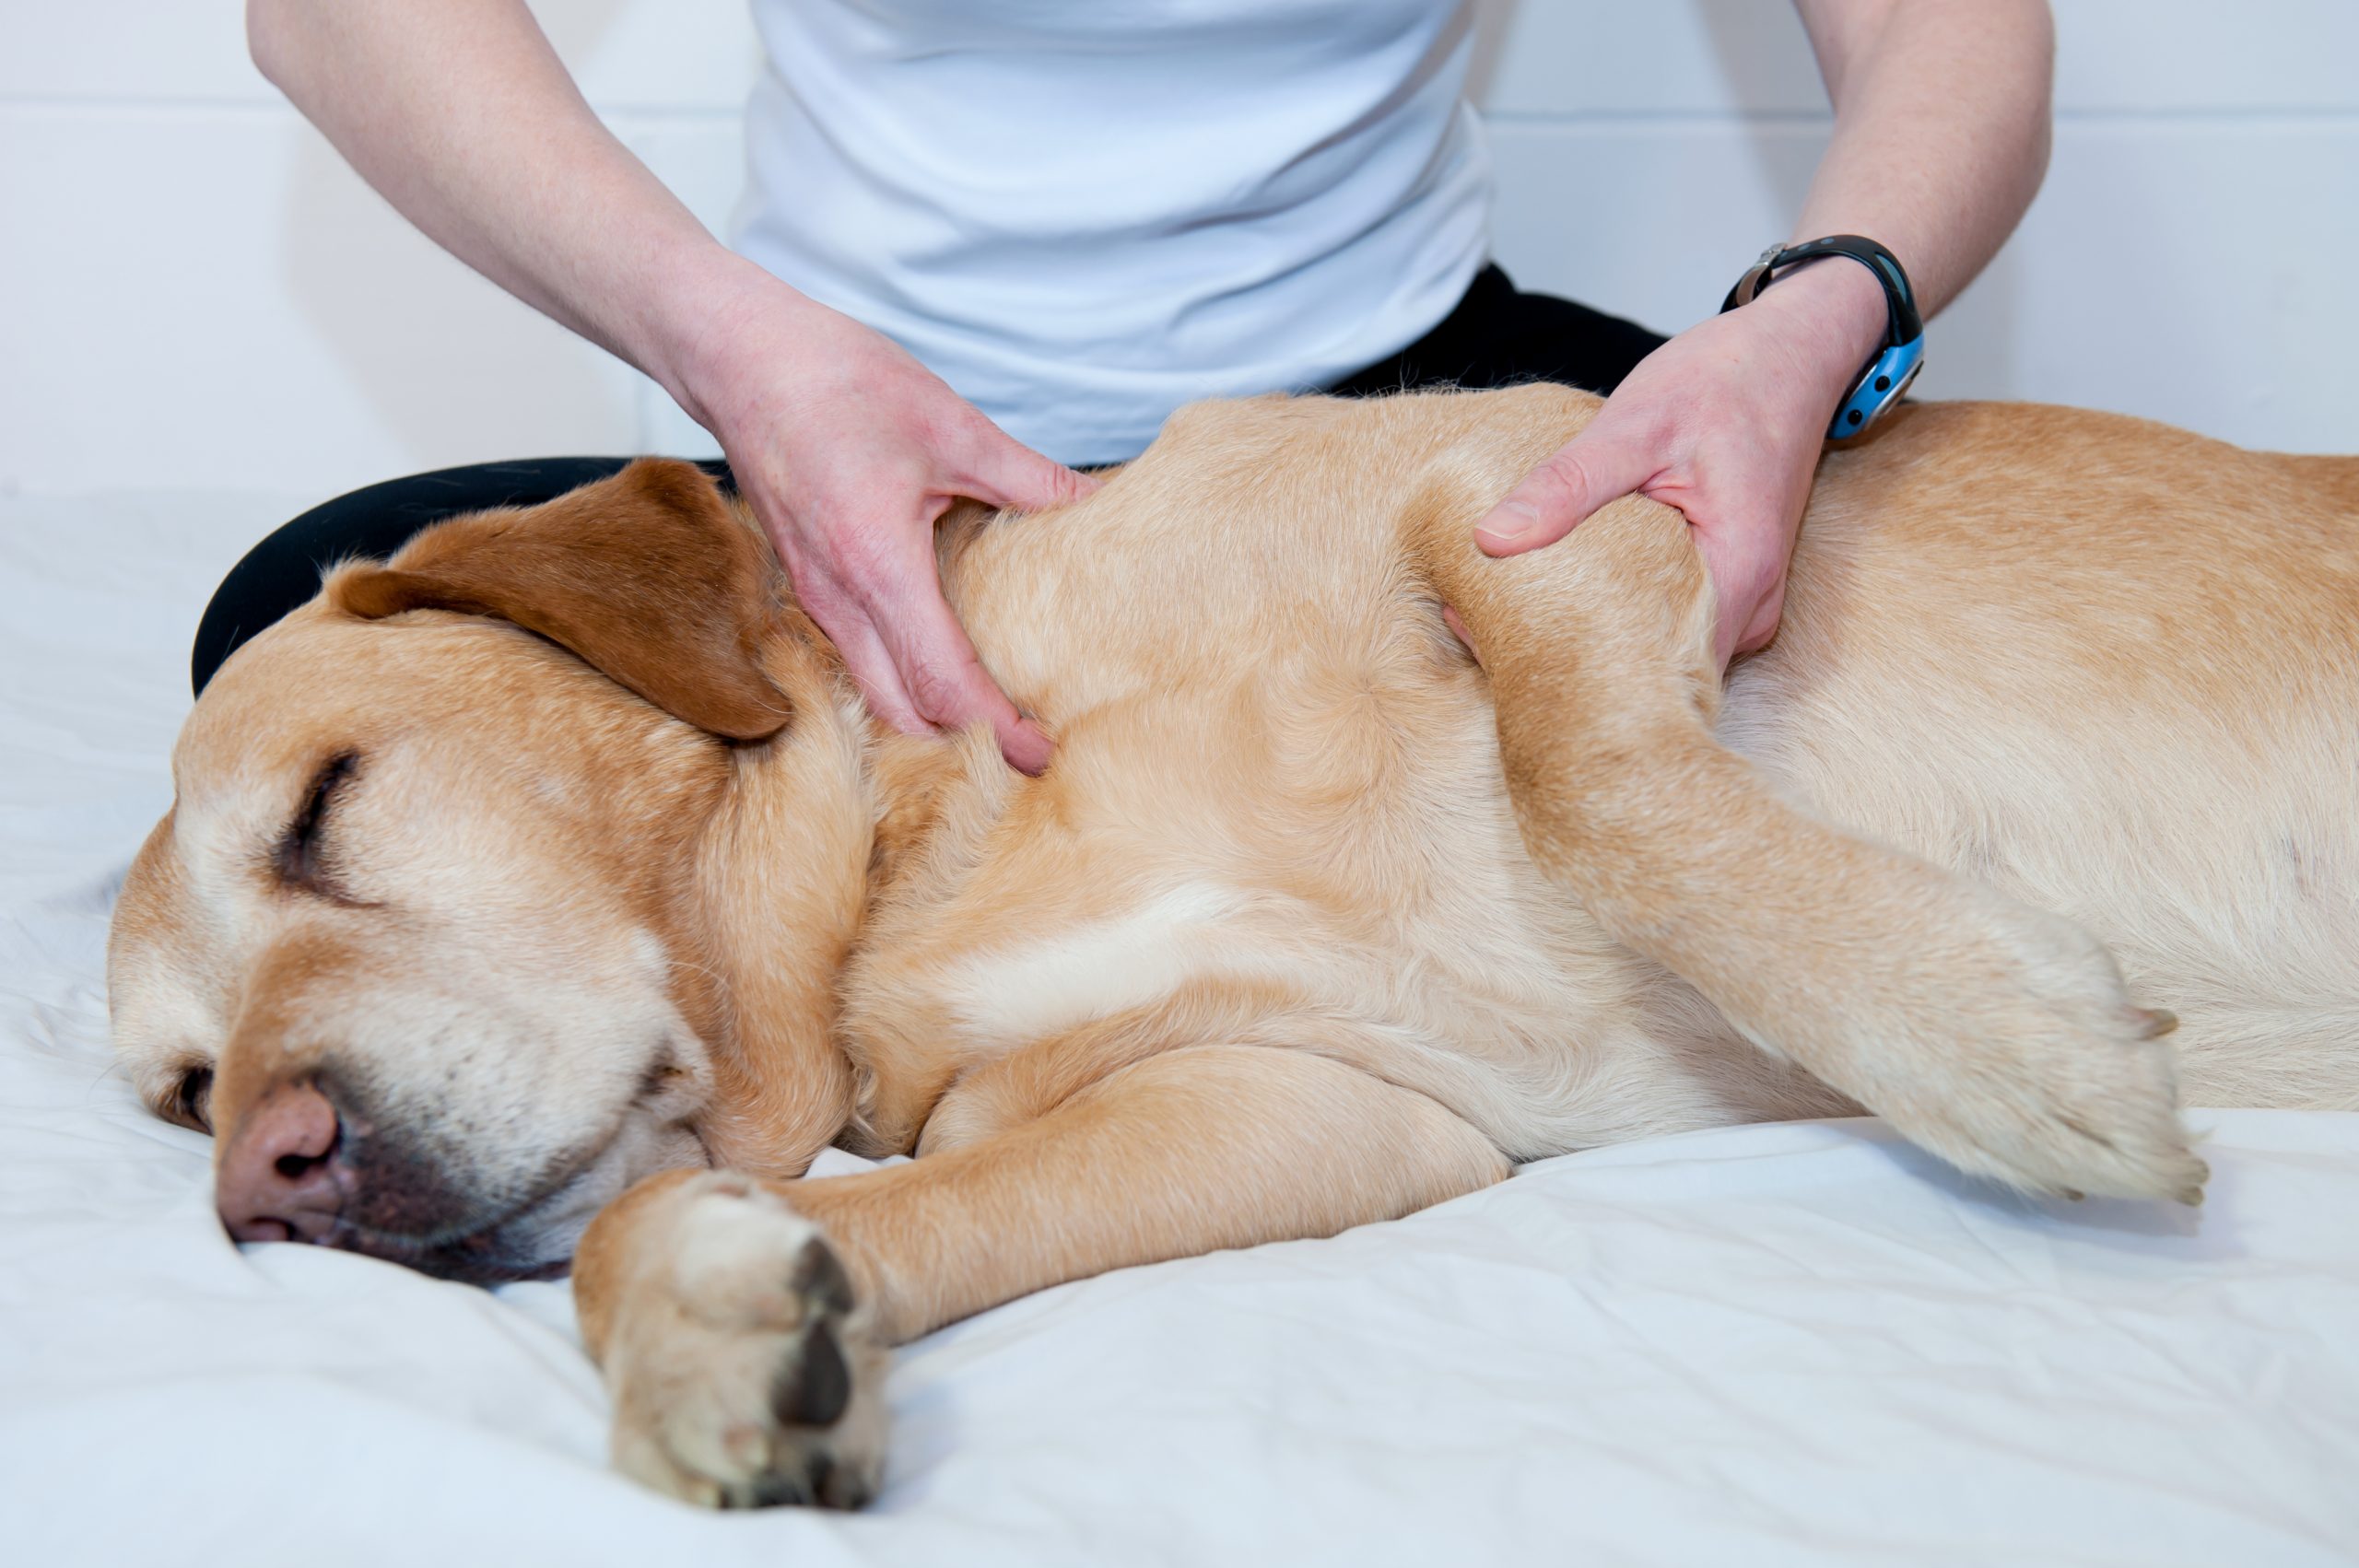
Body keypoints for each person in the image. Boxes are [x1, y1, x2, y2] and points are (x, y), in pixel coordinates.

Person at [206, 0, 2054, 775]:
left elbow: (1939, 24)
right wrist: (733, 346)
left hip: (1385, 435)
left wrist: (1815, 317)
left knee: (1936, 631)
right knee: (299, 653)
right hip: (844, 460)